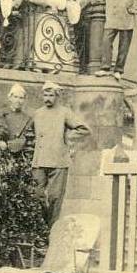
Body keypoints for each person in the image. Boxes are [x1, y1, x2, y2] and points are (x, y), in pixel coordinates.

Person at [31, 82, 91, 226]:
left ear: (57, 96)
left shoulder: (64, 112)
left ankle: (51, 228)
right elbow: (32, 133)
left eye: (51, 95)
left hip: (58, 161)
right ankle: (42, 227)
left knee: (55, 197)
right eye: (45, 95)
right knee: (37, 195)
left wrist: (67, 137)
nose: (48, 98)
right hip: (39, 160)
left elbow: (84, 129)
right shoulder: (38, 113)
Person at [0, 0, 31, 69]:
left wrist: (21, 0)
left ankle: (11, 62)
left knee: (15, 38)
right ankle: (4, 61)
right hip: (6, 9)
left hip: (19, 11)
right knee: (5, 36)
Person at [0, 83, 35, 157]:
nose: (18, 101)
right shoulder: (1, 114)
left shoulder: (28, 117)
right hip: (3, 153)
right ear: (10, 98)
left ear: (24, 100)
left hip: (22, 153)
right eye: (15, 97)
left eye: (21, 98)